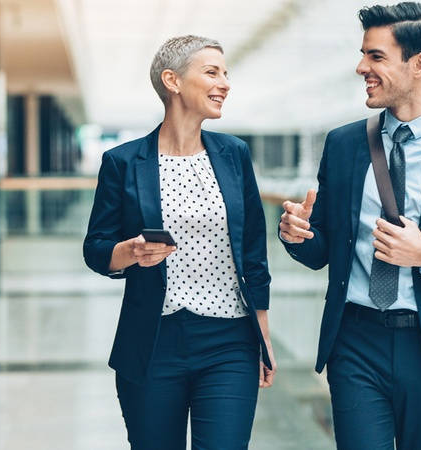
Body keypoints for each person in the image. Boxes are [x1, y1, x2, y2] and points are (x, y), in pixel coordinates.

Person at [279, 3, 421, 449]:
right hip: (355, 342)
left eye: (376, 56)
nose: (361, 67)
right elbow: (322, 249)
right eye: (363, 54)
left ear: (419, 64)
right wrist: (297, 235)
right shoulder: (344, 144)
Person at [83, 35, 275, 449]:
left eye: (226, 73)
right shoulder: (123, 162)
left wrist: (262, 334)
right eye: (212, 72)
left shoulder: (234, 154)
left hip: (230, 340)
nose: (225, 82)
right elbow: (96, 248)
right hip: (153, 341)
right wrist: (129, 252)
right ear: (172, 80)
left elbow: (254, 251)